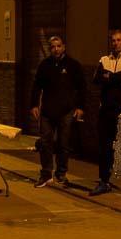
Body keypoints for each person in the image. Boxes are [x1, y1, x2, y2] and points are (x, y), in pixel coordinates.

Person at [29, 35, 86, 187]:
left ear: (64, 47)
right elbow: (37, 86)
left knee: (63, 143)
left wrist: (80, 107)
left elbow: (81, 87)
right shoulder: (44, 65)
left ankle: (61, 173)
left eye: (58, 46)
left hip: (66, 111)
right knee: (45, 142)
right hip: (47, 111)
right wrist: (34, 105)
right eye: (53, 47)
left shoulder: (73, 65)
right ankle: (46, 173)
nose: (56, 49)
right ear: (50, 49)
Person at [90, 29, 121, 196]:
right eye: (113, 40)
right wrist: (118, 78)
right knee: (104, 147)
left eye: (119, 40)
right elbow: (96, 79)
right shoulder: (104, 60)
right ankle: (104, 181)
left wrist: (109, 77)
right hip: (106, 111)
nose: (116, 43)